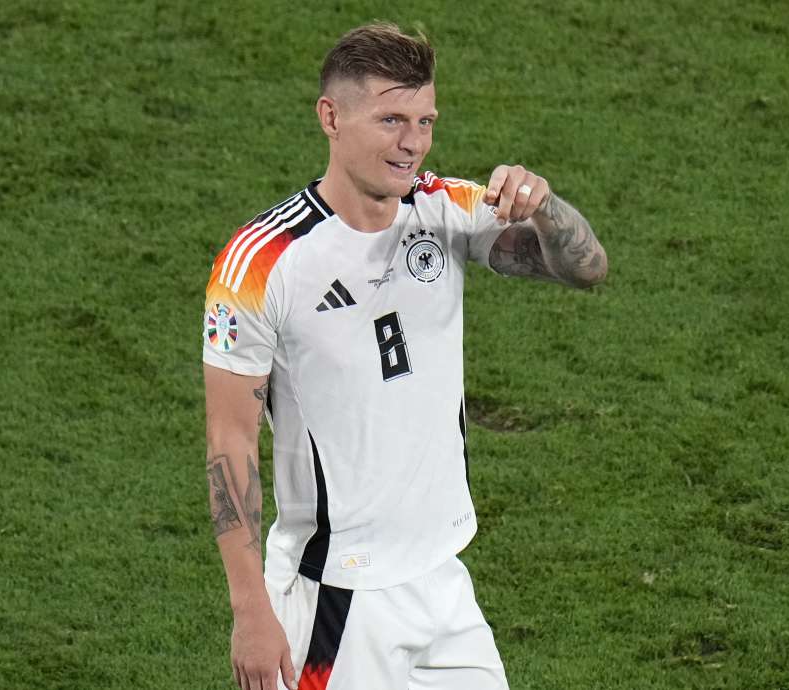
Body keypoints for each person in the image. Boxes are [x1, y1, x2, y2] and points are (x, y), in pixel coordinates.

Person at [202, 22, 606, 690]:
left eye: (425, 120)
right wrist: (250, 610)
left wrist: (546, 205)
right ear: (331, 117)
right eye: (392, 119)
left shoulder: (444, 210)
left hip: (442, 582)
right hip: (335, 600)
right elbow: (229, 440)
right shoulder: (261, 263)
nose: (412, 141)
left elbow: (585, 268)